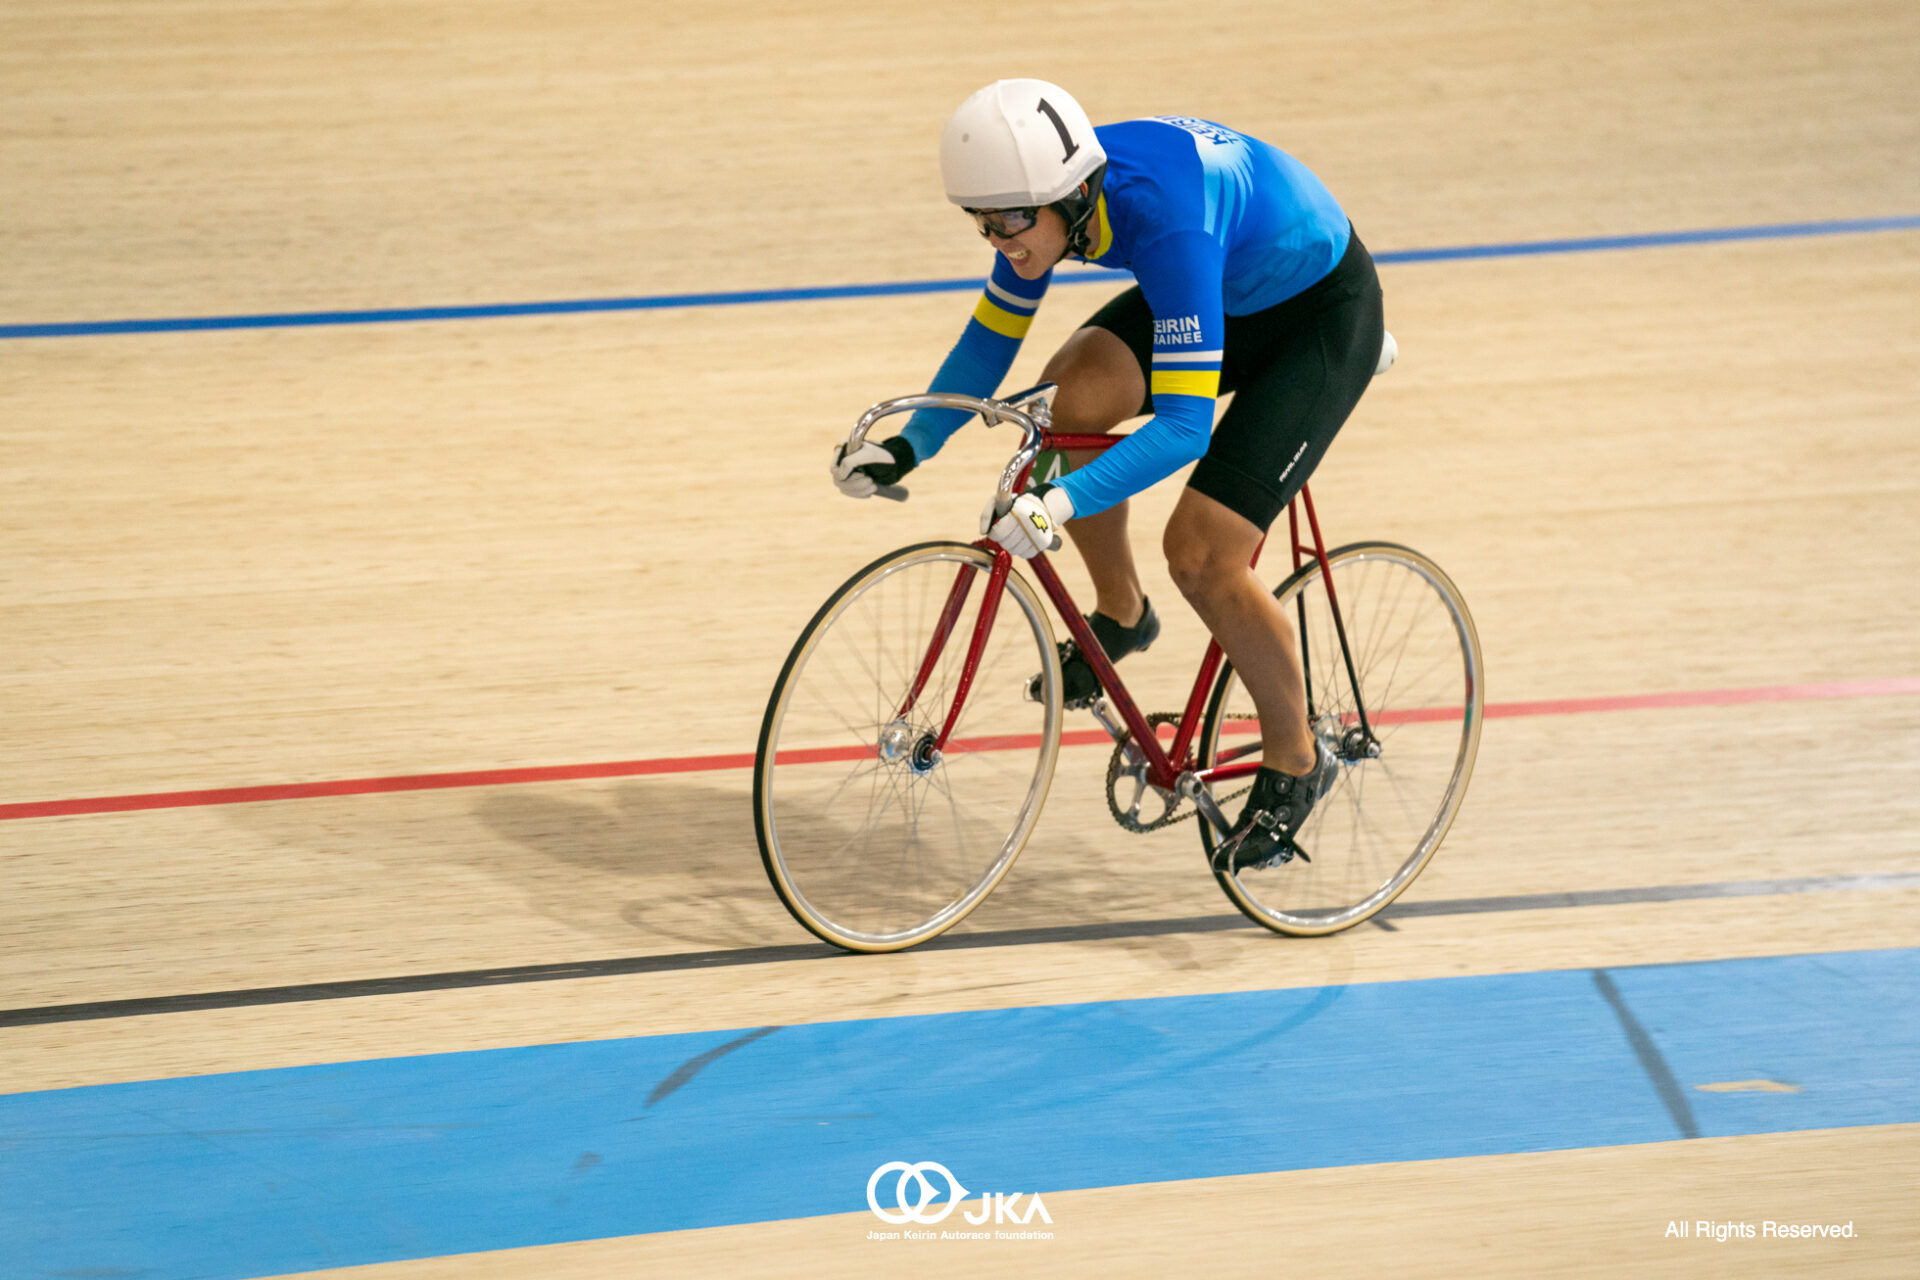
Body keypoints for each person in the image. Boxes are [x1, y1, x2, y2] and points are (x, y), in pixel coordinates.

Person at [830, 79, 1388, 871]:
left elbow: (1185, 430)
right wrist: (912, 444)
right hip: (1227, 286)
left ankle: (1297, 759)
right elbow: (992, 336)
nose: (998, 239)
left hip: (1316, 320)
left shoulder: (1161, 221)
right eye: (980, 222)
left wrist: (1060, 502)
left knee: (1202, 551)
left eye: (1010, 222)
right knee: (1067, 408)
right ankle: (1121, 616)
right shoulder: (1044, 204)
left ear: (1072, 194)